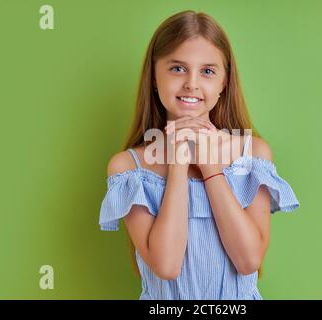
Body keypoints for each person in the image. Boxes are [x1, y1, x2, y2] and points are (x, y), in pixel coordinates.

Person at [98, 10, 300, 300]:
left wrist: (211, 169)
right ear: (154, 76)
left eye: (207, 71)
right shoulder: (129, 168)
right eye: (177, 68)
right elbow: (166, 266)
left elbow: (248, 260)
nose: (192, 83)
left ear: (223, 82)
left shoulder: (252, 154)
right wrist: (178, 166)